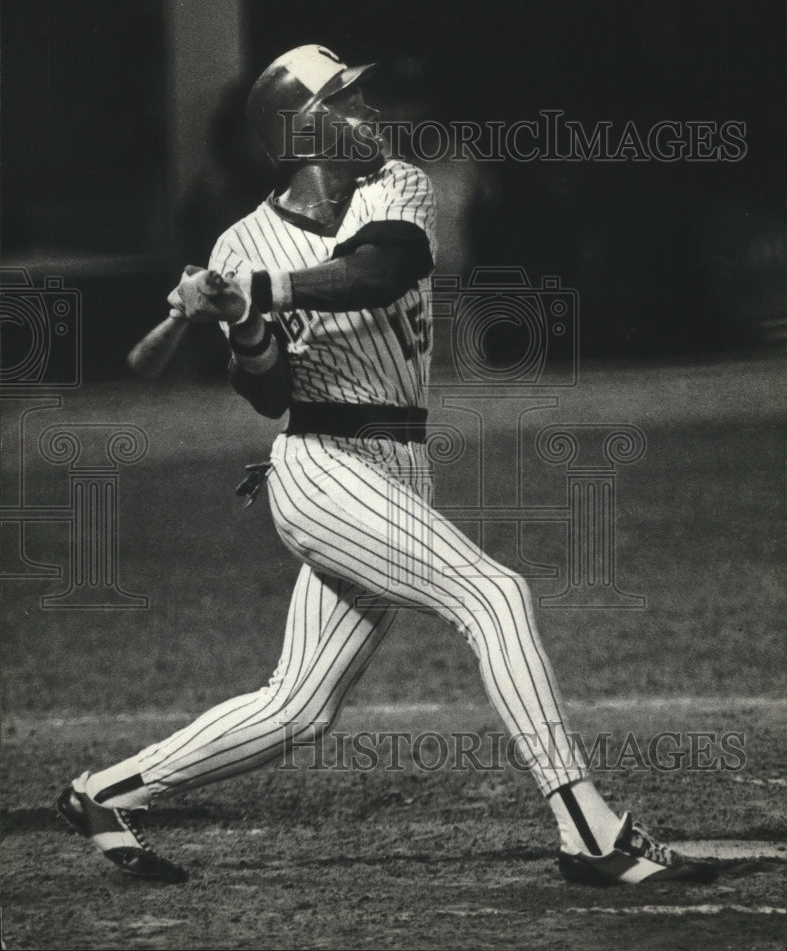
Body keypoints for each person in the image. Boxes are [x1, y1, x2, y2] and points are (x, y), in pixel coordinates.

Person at [58, 45, 717, 887]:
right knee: (494, 593)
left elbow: (381, 271)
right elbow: (265, 392)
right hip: (320, 468)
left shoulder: (391, 185)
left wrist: (256, 292)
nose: (371, 115)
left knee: (300, 707)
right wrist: (242, 319)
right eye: (348, 102)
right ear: (303, 128)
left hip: (396, 466)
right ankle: (587, 828)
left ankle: (104, 792)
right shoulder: (239, 241)